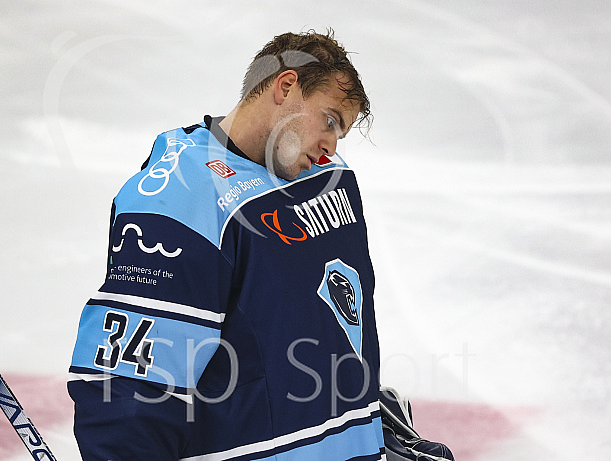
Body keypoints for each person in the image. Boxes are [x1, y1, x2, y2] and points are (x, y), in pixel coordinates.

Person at [68, 30, 453, 461]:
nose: (330, 148)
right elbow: (132, 387)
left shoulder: (330, 180)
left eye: (340, 134)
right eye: (329, 120)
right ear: (285, 86)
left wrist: (366, 423)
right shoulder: (181, 195)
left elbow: (327, 328)